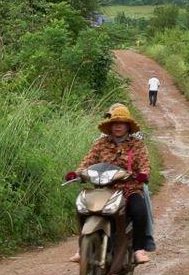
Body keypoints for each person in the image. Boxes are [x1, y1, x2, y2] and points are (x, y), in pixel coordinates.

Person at [66, 104, 154, 264]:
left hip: (129, 190)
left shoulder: (137, 144)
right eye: (114, 123)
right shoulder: (101, 143)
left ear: (128, 126)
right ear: (110, 126)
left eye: (121, 123)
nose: (117, 126)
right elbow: (88, 160)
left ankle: (138, 249)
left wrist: (143, 174)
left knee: (139, 210)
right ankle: (82, 247)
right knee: (83, 209)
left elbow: (144, 164)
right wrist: (77, 173)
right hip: (104, 190)